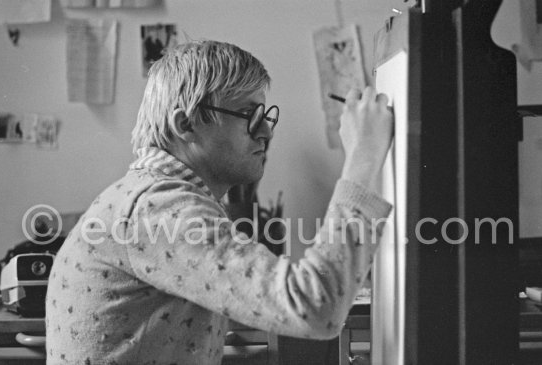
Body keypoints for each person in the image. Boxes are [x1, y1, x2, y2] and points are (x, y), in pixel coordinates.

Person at [45, 40, 393, 364]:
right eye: (249, 117)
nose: (267, 133)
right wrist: (364, 156)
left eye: (265, 116)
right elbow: (316, 308)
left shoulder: (155, 196)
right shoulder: (157, 207)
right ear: (186, 124)